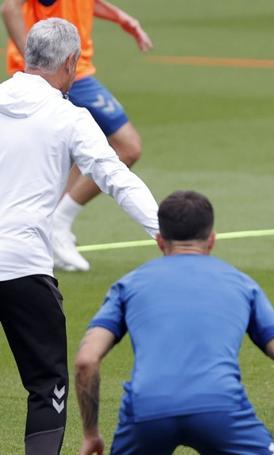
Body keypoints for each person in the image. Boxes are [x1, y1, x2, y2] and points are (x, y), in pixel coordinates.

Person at [0, 18, 158, 455]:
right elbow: (116, 178)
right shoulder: (70, 117)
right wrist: (165, 231)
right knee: (47, 384)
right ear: (71, 63)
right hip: (22, 266)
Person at [74, 191, 274, 455]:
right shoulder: (242, 285)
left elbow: (86, 360)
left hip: (147, 412)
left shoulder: (127, 285)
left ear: (161, 241)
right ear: (212, 240)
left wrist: (91, 434)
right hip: (221, 409)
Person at [2, 0, 153, 272]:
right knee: (128, 147)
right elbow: (10, 6)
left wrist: (122, 19)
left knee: (66, 147)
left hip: (69, 68)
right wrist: (34, 59)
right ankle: (58, 224)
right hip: (61, 70)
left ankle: (54, 226)